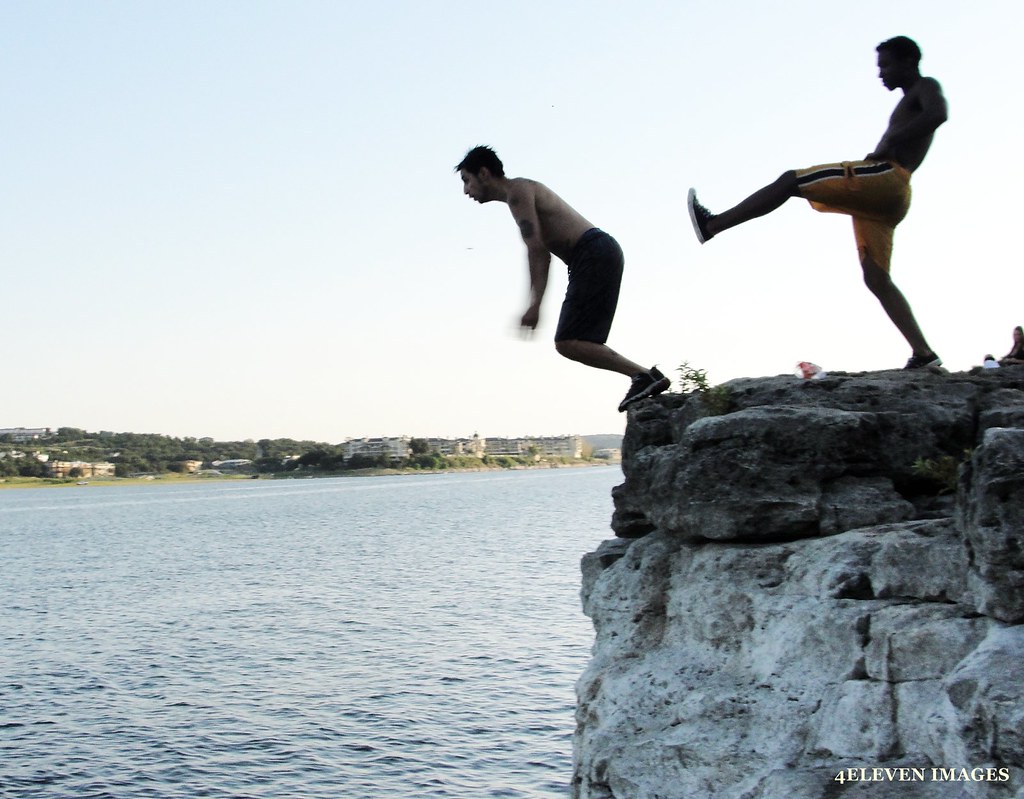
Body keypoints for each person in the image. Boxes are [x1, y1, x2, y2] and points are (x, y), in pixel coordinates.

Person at [686, 36, 947, 370]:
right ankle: (924, 354)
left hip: (888, 177)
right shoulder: (908, 99)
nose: (881, 73)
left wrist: (893, 140)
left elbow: (939, 114)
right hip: (891, 197)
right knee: (876, 278)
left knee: (791, 180)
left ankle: (713, 224)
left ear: (908, 62)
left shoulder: (926, 86)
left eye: (886, 65)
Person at [455, 145, 670, 412]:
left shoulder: (518, 192)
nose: (466, 190)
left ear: (484, 173)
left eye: (467, 180)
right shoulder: (519, 192)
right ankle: (643, 376)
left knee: (569, 341)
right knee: (573, 341)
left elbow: (537, 251)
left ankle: (643, 376)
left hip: (592, 252)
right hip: (595, 253)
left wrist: (535, 305)